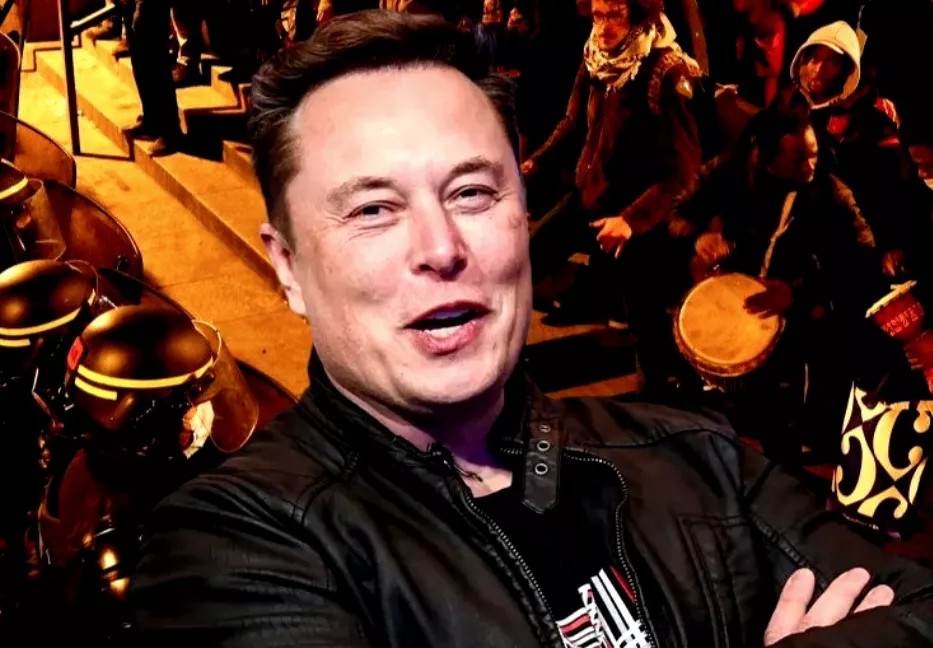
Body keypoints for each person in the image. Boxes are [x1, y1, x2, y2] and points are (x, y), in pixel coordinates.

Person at [130, 11, 933, 647]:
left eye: (472, 193)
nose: (440, 248)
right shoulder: (234, 543)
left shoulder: (696, 455)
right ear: (288, 267)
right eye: (373, 209)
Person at [678, 109, 885, 461]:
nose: (810, 166)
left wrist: (799, 294)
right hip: (735, 293)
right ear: (765, 158)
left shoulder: (830, 193)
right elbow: (679, 211)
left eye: (813, 154)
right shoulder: (729, 172)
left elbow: (863, 261)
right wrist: (698, 239)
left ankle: (804, 445)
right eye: (798, 158)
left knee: (806, 385)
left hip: (803, 301)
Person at [522, 0, 704, 392]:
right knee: (526, 259)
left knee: (645, 324)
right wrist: (534, 163)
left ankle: (659, 402)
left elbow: (683, 173)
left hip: (636, 217)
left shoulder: (667, 72)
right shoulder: (596, 56)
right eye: (598, 15)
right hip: (590, 197)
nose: (603, 26)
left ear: (639, 16)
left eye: (615, 15)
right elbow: (572, 123)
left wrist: (632, 221)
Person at [789, 21, 922, 279]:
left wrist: (895, 247)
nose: (819, 69)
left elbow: (898, 193)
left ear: (847, 69)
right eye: (814, 58)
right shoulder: (794, 114)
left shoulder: (873, 126)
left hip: (860, 253)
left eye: (832, 62)